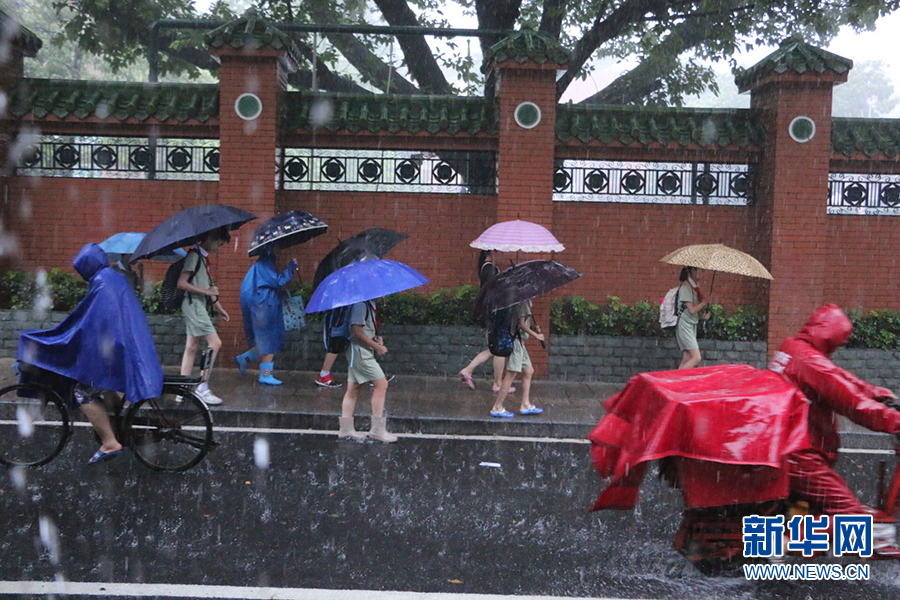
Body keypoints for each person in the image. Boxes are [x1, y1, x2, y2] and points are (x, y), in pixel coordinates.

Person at [17, 243, 163, 464]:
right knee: (104, 382)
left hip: (116, 349)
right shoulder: (113, 277)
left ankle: (110, 443)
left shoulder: (101, 283)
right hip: (126, 345)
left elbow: (86, 321)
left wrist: (62, 336)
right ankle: (115, 420)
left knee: (83, 391)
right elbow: (94, 319)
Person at [770, 305, 900, 545]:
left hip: (785, 446)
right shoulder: (812, 364)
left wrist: (879, 394)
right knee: (851, 517)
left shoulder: (794, 348)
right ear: (830, 338)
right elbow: (853, 403)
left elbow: (838, 378)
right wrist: (894, 421)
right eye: (838, 343)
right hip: (800, 455)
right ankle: (784, 543)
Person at [177, 227, 230, 405]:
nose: (218, 247)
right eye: (218, 243)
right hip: (194, 305)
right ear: (208, 238)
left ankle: (182, 389)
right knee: (215, 343)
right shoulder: (193, 256)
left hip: (195, 305)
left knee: (191, 346)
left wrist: (219, 308)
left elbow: (207, 288)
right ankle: (202, 387)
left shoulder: (201, 258)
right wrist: (206, 292)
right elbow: (182, 283)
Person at [235, 248, 298, 385]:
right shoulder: (265, 265)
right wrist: (290, 268)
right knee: (269, 341)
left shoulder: (259, 266)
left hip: (262, 306)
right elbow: (278, 282)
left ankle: (244, 358)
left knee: (266, 340)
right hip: (265, 307)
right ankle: (265, 375)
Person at [337, 299, 397, 443]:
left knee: (353, 388)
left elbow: (363, 331)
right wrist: (377, 347)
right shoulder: (360, 305)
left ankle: (345, 429)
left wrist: (375, 340)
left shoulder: (367, 305)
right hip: (360, 352)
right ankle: (377, 430)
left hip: (359, 350)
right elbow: (356, 332)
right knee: (381, 384)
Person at [458, 250, 515, 394]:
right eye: (500, 251)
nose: (502, 254)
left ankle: (468, 370)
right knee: (498, 350)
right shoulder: (489, 269)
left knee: (493, 349)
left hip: (491, 314)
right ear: (492, 252)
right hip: (494, 315)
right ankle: (497, 384)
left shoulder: (488, 268)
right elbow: (493, 291)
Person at [490, 299, 544, 418]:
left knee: (528, 371)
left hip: (519, 341)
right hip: (516, 342)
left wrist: (534, 330)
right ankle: (497, 407)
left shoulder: (518, 301)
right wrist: (536, 335)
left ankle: (525, 404)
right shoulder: (523, 302)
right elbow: (521, 324)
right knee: (511, 373)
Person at [675, 266, 710, 369]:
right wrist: (703, 303)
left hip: (690, 324)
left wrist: (703, 316)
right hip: (685, 325)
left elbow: (691, 311)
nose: (703, 273)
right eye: (701, 270)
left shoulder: (693, 288)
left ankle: (675, 381)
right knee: (696, 358)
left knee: (687, 358)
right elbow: (691, 309)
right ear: (693, 271)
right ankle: (677, 381)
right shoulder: (686, 287)